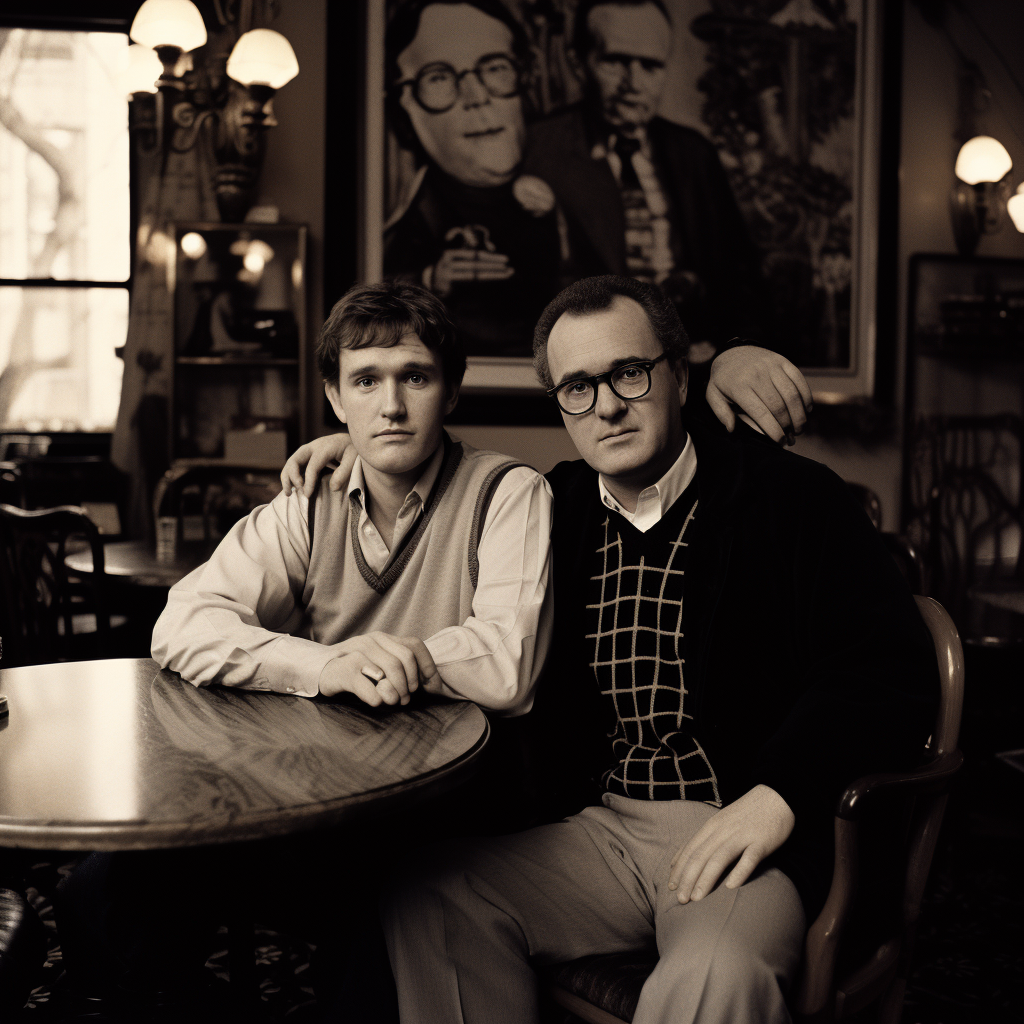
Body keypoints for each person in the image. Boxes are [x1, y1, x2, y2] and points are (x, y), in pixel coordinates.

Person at [290, 276, 936, 1024]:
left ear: (679, 375)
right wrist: (364, 444)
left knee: (714, 973)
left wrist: (780, 796)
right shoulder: (547, 508)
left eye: (629, 372)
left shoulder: (792, 500)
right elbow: (445, 478)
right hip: (603, 832)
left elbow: (887, 668)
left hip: (743, 833)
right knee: (431, 899)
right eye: (576, 387)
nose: (606, 405)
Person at [521, 0, 770, 348]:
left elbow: (738, 274)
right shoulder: (538, 148)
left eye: (651, 66)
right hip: (587, 354)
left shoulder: (693, 153)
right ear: (579, 64)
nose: (633, 83)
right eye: (616, 62)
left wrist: (737, 349)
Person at [384, 0, 563, 357]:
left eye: (495, 68)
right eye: (439, 77)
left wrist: (560, 220)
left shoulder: (569, 182)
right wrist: (433, 279)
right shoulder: (416, 214)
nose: (477, 97)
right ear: (405, 105)